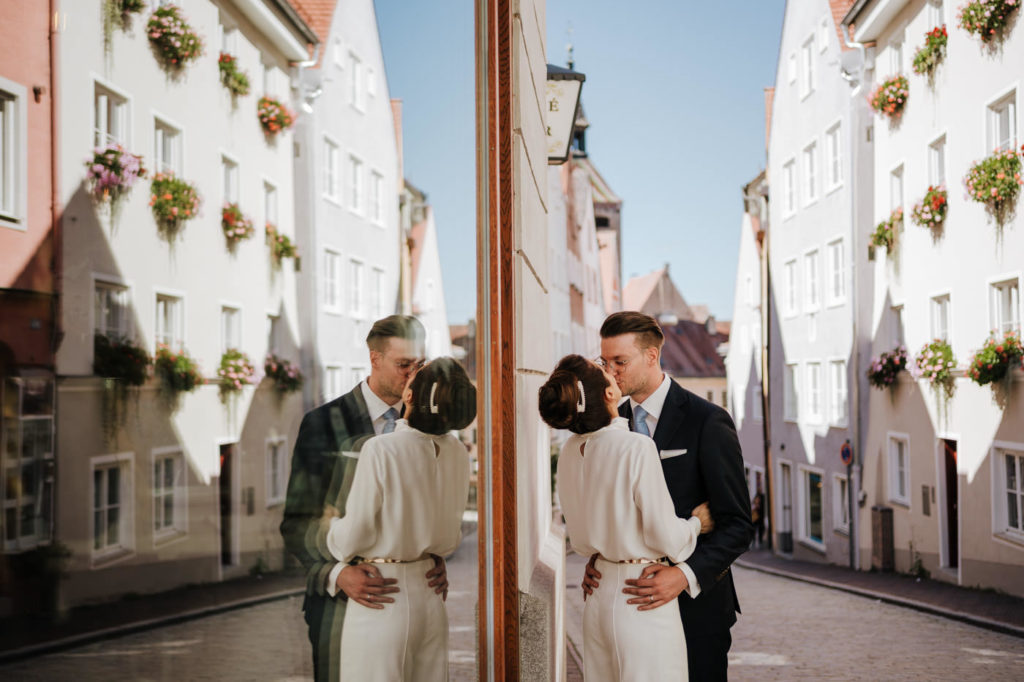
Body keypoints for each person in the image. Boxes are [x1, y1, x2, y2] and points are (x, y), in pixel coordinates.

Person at [279, 315, 447, 682]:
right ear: (374, 359)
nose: (413, 376)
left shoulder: (427, 426)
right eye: (404, 365)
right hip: (341, 607)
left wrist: (429, 555)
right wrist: (336, 574)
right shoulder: (324, 423)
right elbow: (296, 522)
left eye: (419, 365)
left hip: (420, 605)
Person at [588, 311, 754, 681]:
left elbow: (738, 526)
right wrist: (600, 559)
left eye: (620, 361)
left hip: (696, 612)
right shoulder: (609, 426)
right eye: (604, 362)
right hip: (630, 616)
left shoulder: (708, 421)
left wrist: (683, 575)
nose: (610, 373)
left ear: (651, 356)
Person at [539, 354, 713, 681]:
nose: (611, 371)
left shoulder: (569, 452)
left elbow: (578, 538)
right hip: (641, 599)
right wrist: (696, 524)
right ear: (607, 395)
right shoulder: (636, 447)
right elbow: (669, 540)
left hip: (598, 596)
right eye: (604, 369)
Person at [323, 357, 476, 681]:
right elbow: (449, 536)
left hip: (382, 596)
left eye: (413, 376)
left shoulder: (382, 449)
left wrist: (331, 527)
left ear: (410, 396)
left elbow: (354, 536)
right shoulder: (458, 452)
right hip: (430, 597)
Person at [752, 484, 765, 548]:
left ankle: (760, 541)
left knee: (760, 529)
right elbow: (753, 505)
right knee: (755, 529)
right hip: (756, 517)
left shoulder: (762, 497)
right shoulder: (756, 497)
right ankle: (754, 541)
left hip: (760, 516)